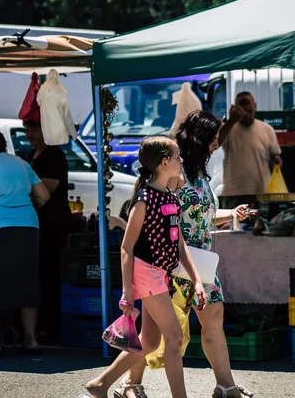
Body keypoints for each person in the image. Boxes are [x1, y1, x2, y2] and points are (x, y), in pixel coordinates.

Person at [120, 111, 255, 398]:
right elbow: (161, 215)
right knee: (153, 332)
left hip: (201, 261)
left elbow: (201, 216)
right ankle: (129, 382)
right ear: (201, 139)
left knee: (212, 317)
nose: (216, 144)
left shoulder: (200, 175)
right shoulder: (174, 174)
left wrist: (231, 214)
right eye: (213, 139)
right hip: (172, 261)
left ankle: (225, 384)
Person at [84, 136, 207, 398]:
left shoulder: (170, 195)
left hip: (160, 274)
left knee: (150, 342)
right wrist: (127, 292)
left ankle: (100, 385)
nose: (181, 161)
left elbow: (179, 243)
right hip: (147, 273)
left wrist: (197, 279)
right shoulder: (144, 200)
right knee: (173, 339)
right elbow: (126, 247)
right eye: (177, 157)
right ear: (164, 163)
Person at [0, 125, 50, 358]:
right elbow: (43, 196)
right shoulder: (22, 164)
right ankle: (31, 341)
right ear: (2, 142)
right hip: (28, 227)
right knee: (27, 281)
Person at [23, 119, 72, 343]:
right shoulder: (29, 156)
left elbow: (45, 191)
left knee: (49, 275)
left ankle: (50, 327)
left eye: (34, 128)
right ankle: (38, 324)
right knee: (37, 276)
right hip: (35, 225)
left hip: (52, 224)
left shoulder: (53, 156)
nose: (29, 133)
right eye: (27, 128)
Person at [217, 92, 282, 209]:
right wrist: (231, 120)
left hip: (261, 191)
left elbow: (275, 156)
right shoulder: (228, 128)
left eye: (249, 109)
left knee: (261, 226)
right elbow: (216, 143)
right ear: (235, 108)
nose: (246, 113)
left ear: (255, 107)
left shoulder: (267, 130)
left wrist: (276, 161)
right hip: (234, 193)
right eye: (242, 109)